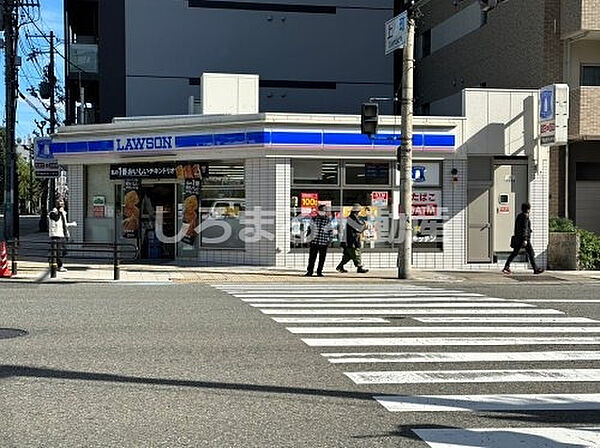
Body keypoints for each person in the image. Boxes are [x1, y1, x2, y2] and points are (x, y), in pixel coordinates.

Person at [503, 202, 543, 275]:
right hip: (524, 239)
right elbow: (524, 228)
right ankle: (535, 269)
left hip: (518, 238)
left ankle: (506, 266)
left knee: (515, 253)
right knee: (531, 253)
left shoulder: (519, 216)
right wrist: (525, 239)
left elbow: (519, 228)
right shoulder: (525, 216)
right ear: (528, 209)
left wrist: (528, 230)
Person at [336, 203, 369, 274]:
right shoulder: (352, 218)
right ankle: (359, 267)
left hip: (351, 239)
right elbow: (359, 228)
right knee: (356, 253)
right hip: (352, 240)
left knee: (348, 255)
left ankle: (340, 266)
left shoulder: (353, 217)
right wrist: (365, 226)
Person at [48, 199, 77, 272]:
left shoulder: (63, 213)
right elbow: (56, 219)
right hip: (56, 235)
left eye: (63, 204)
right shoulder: (52, 213)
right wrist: (59, 212)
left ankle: (52, 260)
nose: (62, 206)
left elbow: (64, 224)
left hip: (62, 235)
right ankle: (58, 265)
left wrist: (72, 224)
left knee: (63, 251)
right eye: (60, 204)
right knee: (58, 252)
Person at [304, 204, 333, 277]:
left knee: (322, 258)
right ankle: (309, 272)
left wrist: (329, 241)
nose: (322, 212)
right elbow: (309, 229)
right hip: (314, 242)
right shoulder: (314, 219)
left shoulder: (328, 220)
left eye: (324, 210)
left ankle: (319, 272)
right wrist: (308, 239)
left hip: (323, 242)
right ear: (318, 211)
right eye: (321, 210)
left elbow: (330, 231)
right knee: (311, 258)